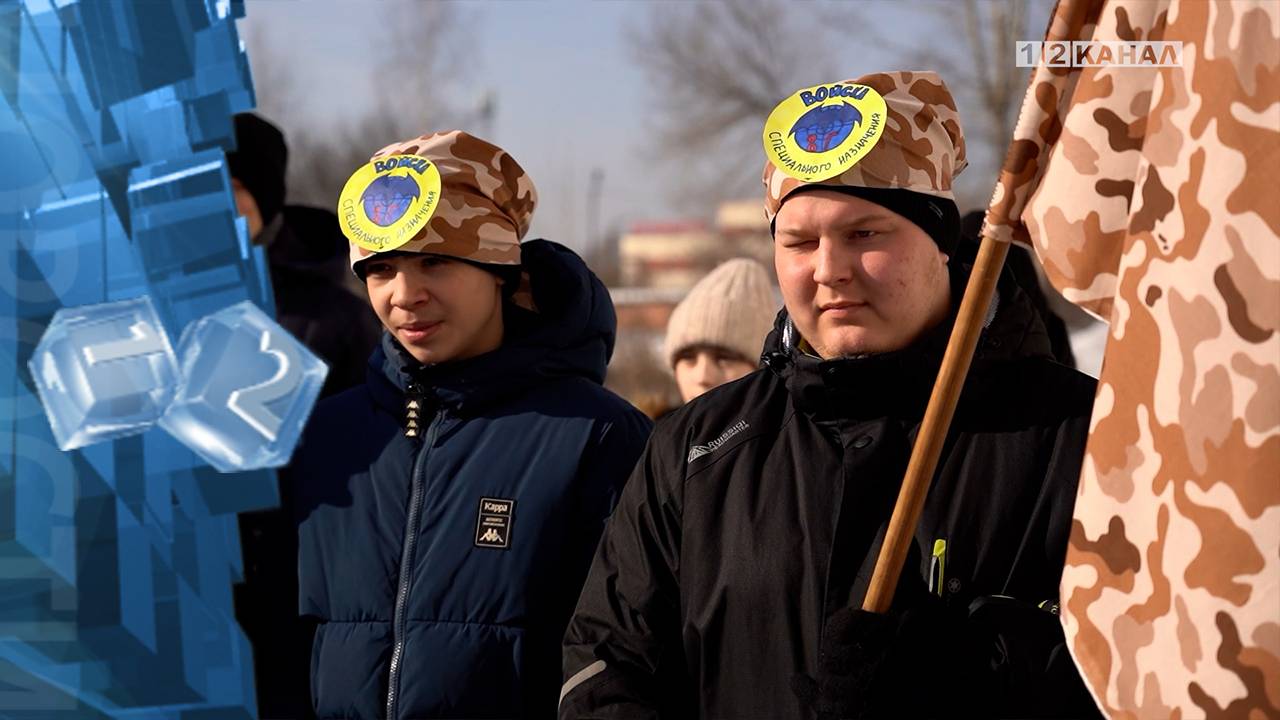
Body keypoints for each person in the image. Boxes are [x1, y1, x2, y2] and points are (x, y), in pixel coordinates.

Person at [560, 71, 1100, 719]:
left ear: (938, 243)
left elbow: (1160, 666)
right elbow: (605, 662)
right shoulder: (697, 448)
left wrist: (978, 674)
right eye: (800, 241)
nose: (828, 269)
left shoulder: (1079, 432)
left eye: (864, 234)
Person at [291, 130, 652, 719]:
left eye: (435, 261)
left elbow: (628, 657)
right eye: (381, 270)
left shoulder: (598, 435)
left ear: (499, 267)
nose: (405, 295)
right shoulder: (330, 440)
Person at [227, 112, 383, 720]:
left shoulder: (332, 315)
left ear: (264, 198)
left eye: (232, 190)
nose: (211, 206)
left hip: (297, 576)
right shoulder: (155, 301)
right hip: (188, 573)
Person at [664, 257, 776, 403]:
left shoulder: (796, 424)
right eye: (688, 357)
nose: (703, 377)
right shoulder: (647, 425)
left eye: (724, 358)